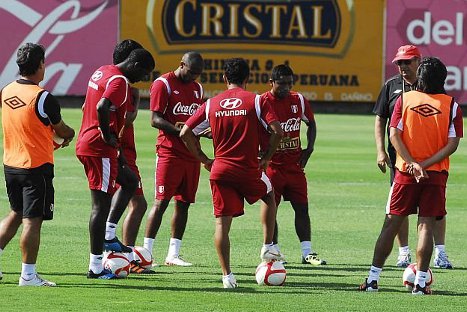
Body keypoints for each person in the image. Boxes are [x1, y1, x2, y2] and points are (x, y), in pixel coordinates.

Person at [360, 57, 463, 295]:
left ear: (421, 78)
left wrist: (411, 163)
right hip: (434, 175)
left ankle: (373, 280)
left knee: (391, 224)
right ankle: (420, 284)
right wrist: (424, 165)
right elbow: (453, 144)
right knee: (426, 225)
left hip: (405, 173)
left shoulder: (405, 100)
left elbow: (394, 134)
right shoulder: (452, 105)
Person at [180, 58, 285, 288]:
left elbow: (185, 131)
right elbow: (277, 131)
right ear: (247, 78)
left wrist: (204, 159)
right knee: (269, 194)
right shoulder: (256, 101)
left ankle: (227, 276)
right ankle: (268, 245)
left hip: (220, 170)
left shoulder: (211, 103)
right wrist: (266, 158)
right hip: (248, 169)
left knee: (221, 226)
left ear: (224, 78)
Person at [76, 48, 155, 279]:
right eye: (144, 72)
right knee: (100, 206)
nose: (143, 78)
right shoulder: (119, 80)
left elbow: (89, 106)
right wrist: (106, 134)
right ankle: (96, 266)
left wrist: (116, 147)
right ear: (135, 63)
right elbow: (102, 107)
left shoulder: (102, 71)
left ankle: (109, 234)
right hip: (98, 147)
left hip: (97, 145)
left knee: (130, 181)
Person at [0, 43, 75, 286]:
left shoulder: (6, 91)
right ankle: (28, 276)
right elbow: (61, 129)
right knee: (32, 221)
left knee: (15, 213)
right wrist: (69, 135)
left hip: (11, 164)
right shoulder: (43, 97)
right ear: (41, 65)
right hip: (35, 167)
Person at [373, 45, 452, 269]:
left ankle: (440, 252)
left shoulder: (433, 86)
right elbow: (381, 119)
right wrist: (381, 150)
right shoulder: (391, 86)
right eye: (399, 63)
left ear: (418, 61)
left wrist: (423, 162)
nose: (402, 67)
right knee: (400, 211)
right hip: (400, 162)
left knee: (434, 212)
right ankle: (404, 252)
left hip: (432, 162)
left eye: (407, 62)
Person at [143, 52, 205, 267]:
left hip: (190, 155)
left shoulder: (197, 89)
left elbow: (195, 120)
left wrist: (202, 132)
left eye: (198, 74)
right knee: (161, 202)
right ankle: (146, 253)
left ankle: (173, 254)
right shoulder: (163, 84)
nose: (194, 77)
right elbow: (155, 119)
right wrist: (181, 132)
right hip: (169, 152)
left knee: (184, 203)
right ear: (181, 65)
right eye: (191, 72)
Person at [260, 64, 325, 265]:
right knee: (271, 209)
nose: (286, 87)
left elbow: (311, 123)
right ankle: (273, 249)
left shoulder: (298, 100)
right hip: (272, 167)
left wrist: (310, 148)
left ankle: (307, 253)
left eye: (290, 83)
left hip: (294, 167)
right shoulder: (262, 102)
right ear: (271, 82)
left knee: (302, 208)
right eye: (281, 84)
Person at [110, 40, 154, 274]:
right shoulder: (121, 85)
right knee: (137, 202)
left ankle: (117, 252)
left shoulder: (110, 80)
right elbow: (126, 118)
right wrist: (135, 101)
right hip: (120, 150)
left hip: (123, 148)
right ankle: (122, 254)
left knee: (124, 200)